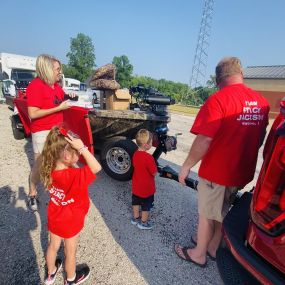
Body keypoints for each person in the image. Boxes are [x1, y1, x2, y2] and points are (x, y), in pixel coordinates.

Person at [174, 57, 269, 267]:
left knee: (207, 214)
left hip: (217, 173)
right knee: (222, 210)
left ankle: (198, 254)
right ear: (241, 74)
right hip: (241, 172)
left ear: (218, 79)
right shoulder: (262, 103)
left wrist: (187, 166)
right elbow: (261, 137)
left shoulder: (218, 100)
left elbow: (205, 139)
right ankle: (213, 248)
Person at [40, 126, 101, 285]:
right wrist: (83, 147)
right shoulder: (73, 176)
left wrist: (77, 149)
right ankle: (71, 279)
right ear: (67, 155)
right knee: (70, 252)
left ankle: (50, 273)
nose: (80, 153)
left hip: (55, 214)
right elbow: (96, 168)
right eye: (77, 152)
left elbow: (70, 169)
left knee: (53, 246)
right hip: (70, 219)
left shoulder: (49, 166)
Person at [27, 54, 75, 211]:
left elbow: (59, 97)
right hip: (42, 131)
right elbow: (33, 113)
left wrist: (69, 95)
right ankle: (32, 193)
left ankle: (59, 195)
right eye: (57, 69)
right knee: (40, 165)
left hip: (57, 131)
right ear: (47, 69)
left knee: (59, 163)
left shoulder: (56, 86)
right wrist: (58, 108)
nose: (60, 72)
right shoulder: (35, 86)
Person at [131, 129, 158, 230]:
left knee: (136, 202)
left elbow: (135, 165)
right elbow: (154, 172)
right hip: (146, 188)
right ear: (147, 145)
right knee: (146, 206)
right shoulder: (149, 158)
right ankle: (143, 223)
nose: (152, 143)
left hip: (136, 186)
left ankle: (135, 218)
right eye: (151, 142)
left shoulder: (135, 154)